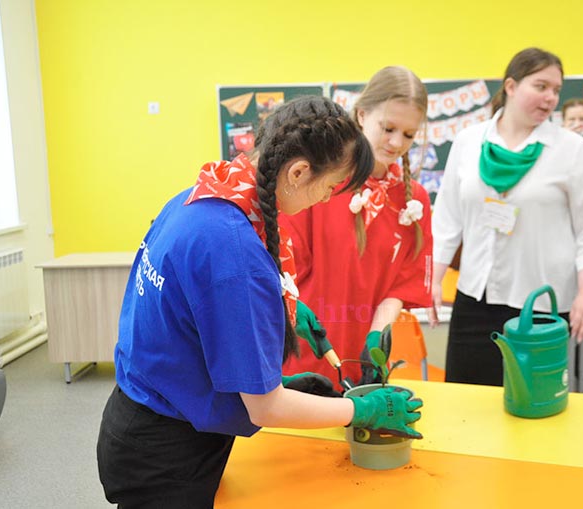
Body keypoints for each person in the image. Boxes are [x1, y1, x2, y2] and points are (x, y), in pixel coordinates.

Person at [96, 96, 423, 508]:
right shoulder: (235, 251)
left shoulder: (202, 196)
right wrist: (358, 410)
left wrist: (275, 330)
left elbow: (186, 326)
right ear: (299, 171)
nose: (325, 199)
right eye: (328, 187)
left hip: (141, 420)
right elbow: (265, 409)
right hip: (166, 453)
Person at [431, 48, 583, 387]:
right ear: (511, 86)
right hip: (476, 298)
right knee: (467, 400)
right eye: (541, 86)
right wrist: (433, 280)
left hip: (542, 301)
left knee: (533, 404)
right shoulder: (470, 142)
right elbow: (447, 220)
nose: (550, 98)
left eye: (556, 90)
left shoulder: (571, 150)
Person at [281, 66, 433, 389]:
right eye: (388, 127)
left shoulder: (413, 202)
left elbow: (402, 285)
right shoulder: (319, 182)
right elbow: (285, 269)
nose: (396, 143)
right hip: (307, 354)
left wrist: (378, 336)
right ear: (362, 114)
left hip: (363, 362)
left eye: (408, 134)